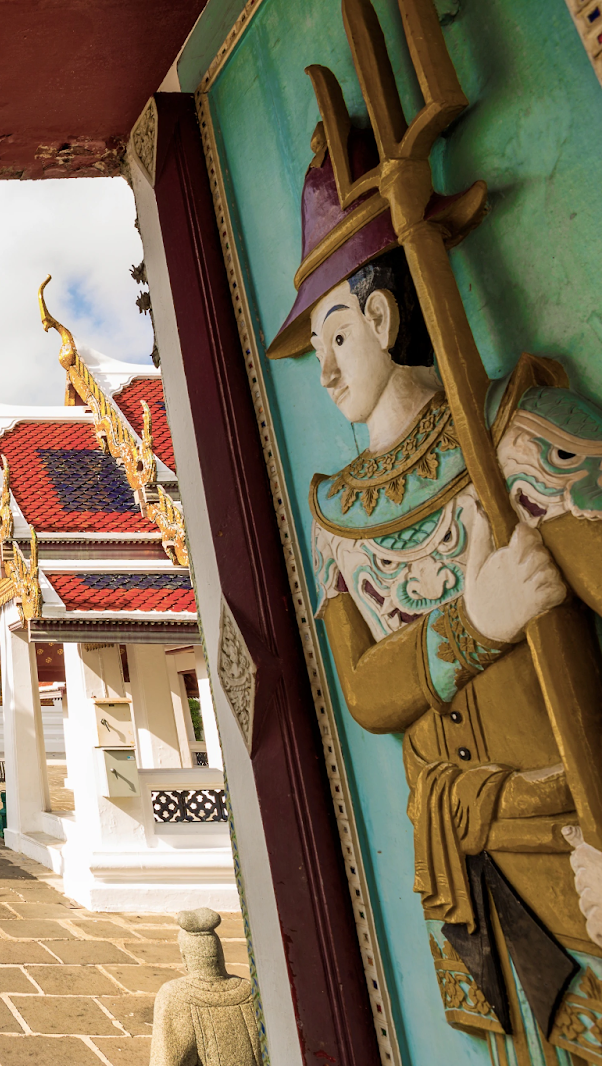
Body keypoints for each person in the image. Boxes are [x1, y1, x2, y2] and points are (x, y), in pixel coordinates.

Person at [271, 128, 602, 1060]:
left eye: (338, 335)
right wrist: (474, 622)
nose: (327, 369)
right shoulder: (337, 515)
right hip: (461, 859)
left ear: (381, 322)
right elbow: (368, 694)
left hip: (573, 833)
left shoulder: (522, 435)